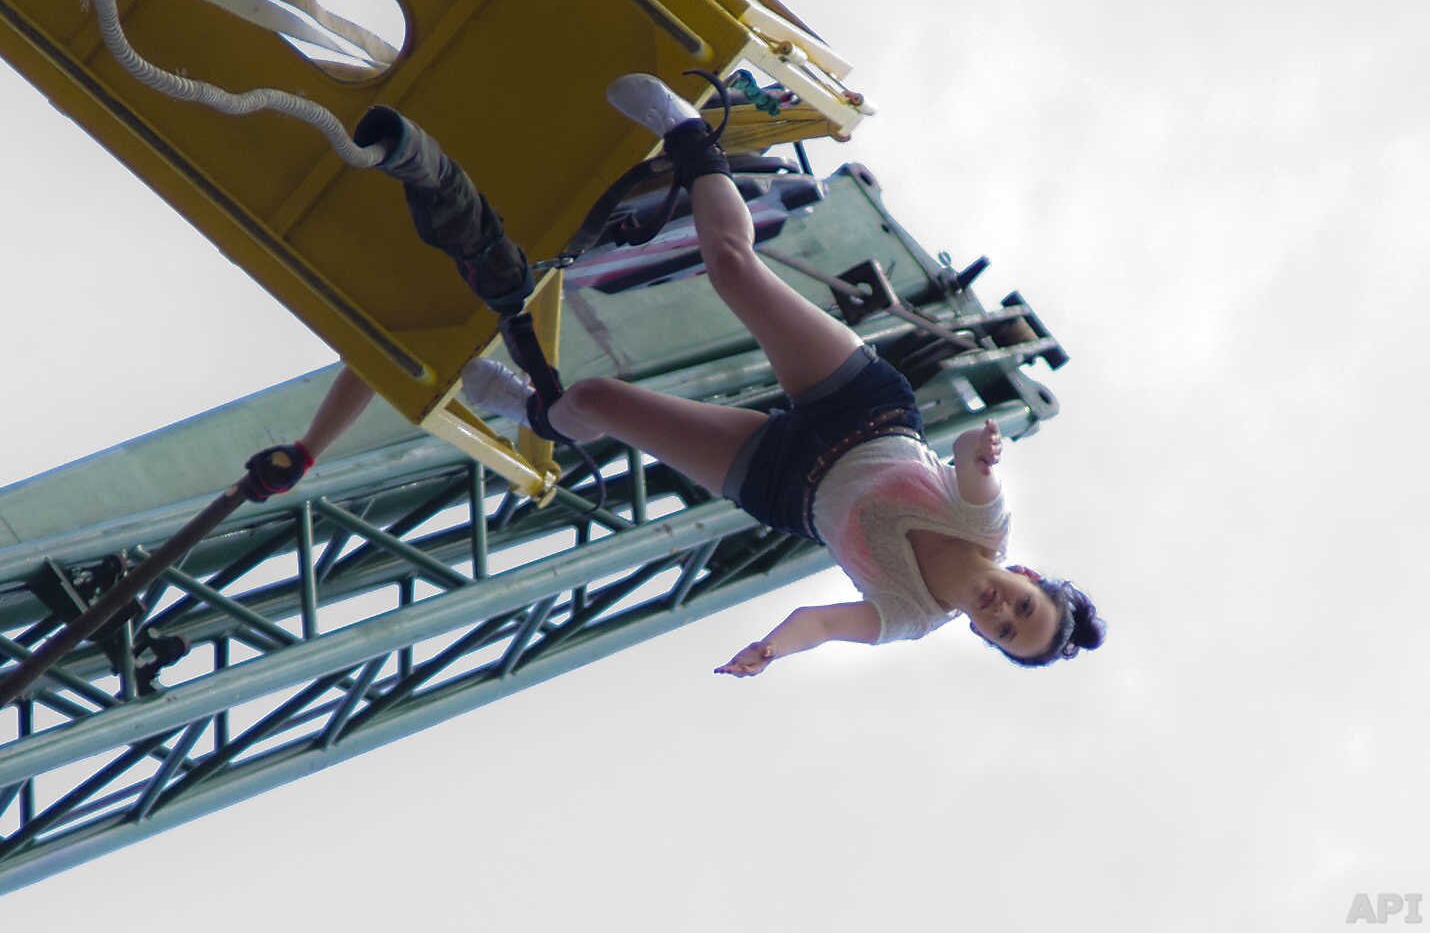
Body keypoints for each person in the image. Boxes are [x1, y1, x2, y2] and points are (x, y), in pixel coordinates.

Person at [248, 74, 1105, 674]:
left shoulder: (912, 616)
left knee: (594, 402)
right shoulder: (985, 525)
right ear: (1028, 579)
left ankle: (532, 414)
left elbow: (822, 621)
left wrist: (772, 649)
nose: (1001, 612)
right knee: (734, 269)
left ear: (983, 638)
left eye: (1004, 632)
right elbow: (970, 465)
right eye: (1022, 608)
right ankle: (689, 133)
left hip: (788, 482)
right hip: (864, 416)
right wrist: (981, 453)